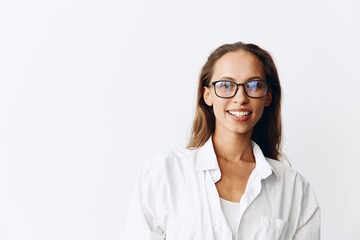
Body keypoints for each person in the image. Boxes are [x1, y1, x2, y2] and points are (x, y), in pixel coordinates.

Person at [119, 41, 320, 240]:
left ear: (267, 97)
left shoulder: (294, 188)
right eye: (225, 85)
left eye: (254, 85)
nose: (240, 97)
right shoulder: (164, 174)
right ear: (208, 95)